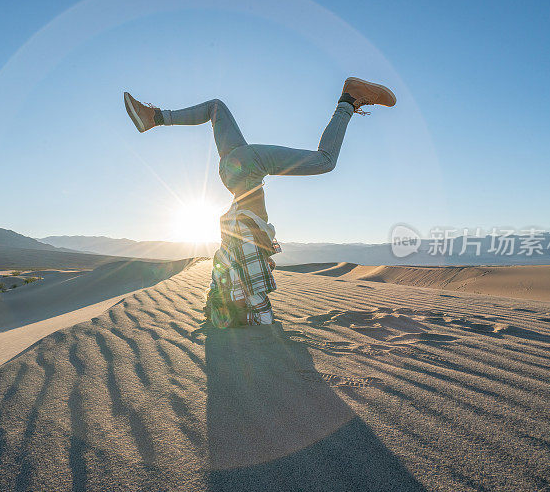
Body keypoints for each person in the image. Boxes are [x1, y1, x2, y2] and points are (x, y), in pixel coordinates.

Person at [124, 78, 396, 326]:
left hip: (250, 168)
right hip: (232, 170)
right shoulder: (224, 265)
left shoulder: (242, 259)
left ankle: (348, 99)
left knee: (325, 160)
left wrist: (259, 313)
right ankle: (156, 117)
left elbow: (260, 303)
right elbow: (236, 285)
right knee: (216, 107)